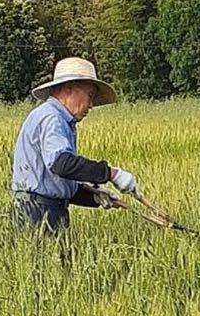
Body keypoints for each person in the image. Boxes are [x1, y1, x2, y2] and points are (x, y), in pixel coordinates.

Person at [11, 57, 139, 239]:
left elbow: (55, 181)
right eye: (90, 96)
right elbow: (62, 164)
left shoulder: (56, 119)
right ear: (69, 88)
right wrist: (111, 174)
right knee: (48, 265)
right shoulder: (52, 119)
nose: (91, 105)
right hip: (39, 214)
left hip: (43, 210)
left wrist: (93, 196)